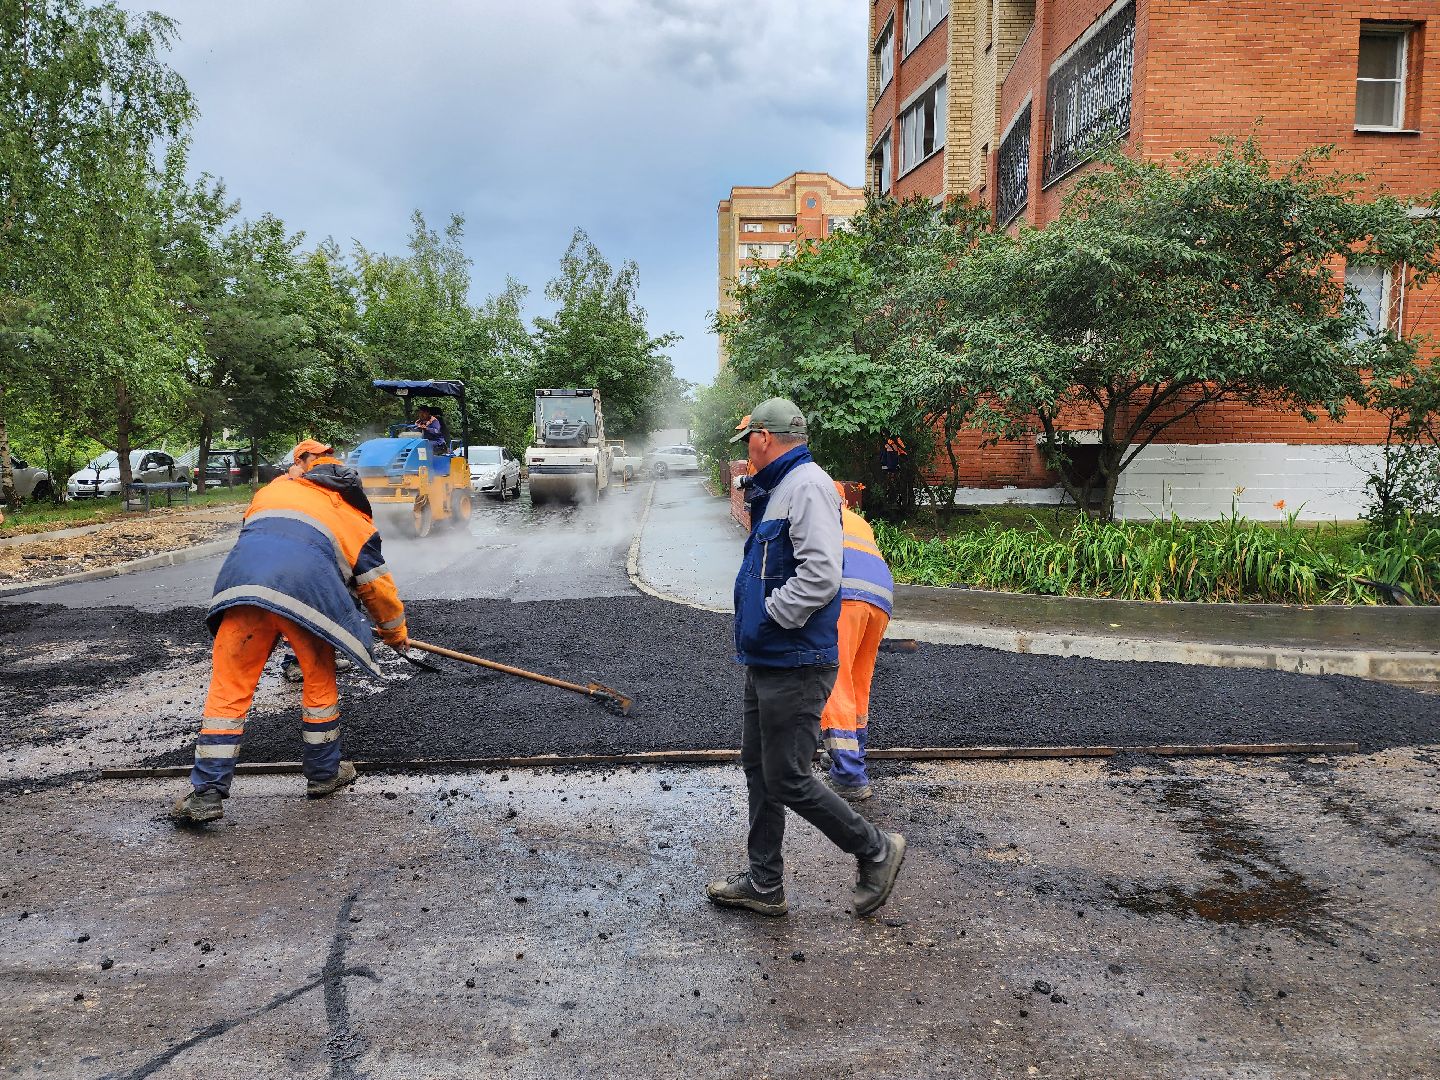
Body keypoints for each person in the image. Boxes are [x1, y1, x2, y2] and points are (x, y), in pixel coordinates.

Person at [707, 398, 905, 918]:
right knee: (759, 769)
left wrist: (771, 615)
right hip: (768, 658)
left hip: (794, 658)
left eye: (748, 442)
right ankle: (765, 884)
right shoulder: (780, 489)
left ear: (765, 438)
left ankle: (876, 849)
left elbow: (820, 575)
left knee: (788, 775)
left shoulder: (808, 486)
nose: (746, 453)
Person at [169, 439, 408, 824]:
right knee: (318, 685)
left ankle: (206, 794)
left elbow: (268, 545)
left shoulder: (273, 491)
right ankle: (324, 775)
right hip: (306, 600)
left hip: (241, 591)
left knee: (228, 691)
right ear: (351, 489)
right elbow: (377, 588)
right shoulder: (354, 518)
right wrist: (396, 635)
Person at [820, 482, 894, 801]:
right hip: (880, 600)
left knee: (833, 680)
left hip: (845, 597)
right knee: (857, 680)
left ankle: (849, 775)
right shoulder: (860, 522)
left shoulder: (819, 517)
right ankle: (850, 755)